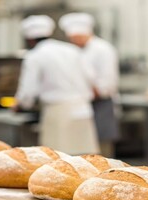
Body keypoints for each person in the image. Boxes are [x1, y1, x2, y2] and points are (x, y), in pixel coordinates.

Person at [14, 15, 99, 155]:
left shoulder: (35, 56)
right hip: (83, 109)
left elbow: (28, 91)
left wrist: (20, 104)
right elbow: (91, 78)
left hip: (58, 112)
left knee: (59, 159)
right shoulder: (72, 50)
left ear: (29, 39)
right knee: (86, 158)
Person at [59, 13, 120, 157]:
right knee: (83, 152)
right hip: (78, 105)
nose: (75, 42)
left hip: (101, 105)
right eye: (72, 39)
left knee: (102, 150)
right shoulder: (72, 51)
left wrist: (84, 92)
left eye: (77, 38)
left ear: (88, 33)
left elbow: (107, 85)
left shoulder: (103, 49)